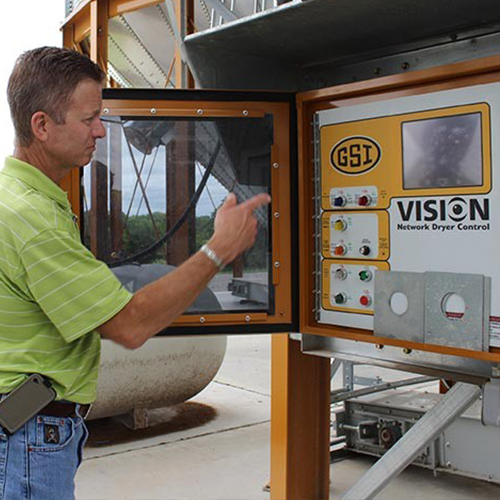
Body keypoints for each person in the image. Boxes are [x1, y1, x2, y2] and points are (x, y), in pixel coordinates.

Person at [0, 46, 270, 500]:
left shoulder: (19, 196)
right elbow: (129, 325)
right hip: (28, 437)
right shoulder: (32, 219)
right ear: (42, 125)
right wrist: (218, 249)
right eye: (88, 119)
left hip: (25, 427)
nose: (100, 131)